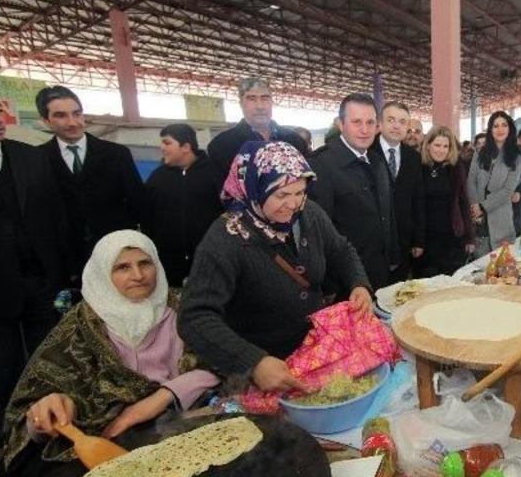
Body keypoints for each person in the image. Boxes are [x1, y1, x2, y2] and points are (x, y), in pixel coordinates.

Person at [1, 230, 219, 476]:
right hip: (105, 437)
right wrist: (46, 412)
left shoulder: (185, 308)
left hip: (181, 423)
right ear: (102, 274)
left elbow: (221, 362)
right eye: (122, 267)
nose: (138, 276)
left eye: (145, 263)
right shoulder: (79, 327)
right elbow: (28, 413)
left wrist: (159, 398)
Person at [178, 141, 371, 392]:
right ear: (255, 189)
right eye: (281, 195)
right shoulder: (226, 238)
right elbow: (194, 318)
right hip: (261, 370)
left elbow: (341, 250)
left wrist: (359, 283)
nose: (293, 204)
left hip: (311, 350)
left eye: (300, 192)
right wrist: (253, 362)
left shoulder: (309, 214)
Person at [0, 110, 73, 450]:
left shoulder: (29, 156)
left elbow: (57, 213)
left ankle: (50, 420)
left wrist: (62, 268)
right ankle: (7, 429)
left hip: (40, 276)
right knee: (3, 358)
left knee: (48, 351)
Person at [36, 85, 147, 276]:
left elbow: (139, 204)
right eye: (61, 115)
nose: (73, 122)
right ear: (46, 121)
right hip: (68, 263)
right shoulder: (37, 159)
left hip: (116, 256)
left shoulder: (116, 155)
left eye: (77, 113)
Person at [309, 93, 399, 291]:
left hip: (381, 272)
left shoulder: (377, 161)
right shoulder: (321, 165)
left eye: (370, 122)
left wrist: (393, 258)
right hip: (346, 281)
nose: (365, 129)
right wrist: (329, 285)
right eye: (356, 122)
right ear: (341, 124)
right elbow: (318, 232)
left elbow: (387, 214)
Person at [144, 124, 223, 287]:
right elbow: (146, 216)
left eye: (167, 143)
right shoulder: (157, 178)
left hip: (210, 262)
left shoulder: (215, 174)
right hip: (168, 266)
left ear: (186, 147)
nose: (162, 148)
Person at [207, 78, 307, 180]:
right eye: (251, 99)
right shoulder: (222, 146)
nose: (260, 106)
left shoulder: (294, 141)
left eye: (265, 98)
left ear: (272, 102)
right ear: (241, 104)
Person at [369, 102, 425, 283]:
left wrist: (418, 239)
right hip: (372, 241)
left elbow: (418, 199)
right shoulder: (367, 152)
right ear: (380, 123)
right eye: (391, 120)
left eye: (402, 122)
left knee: (397, 291)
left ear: (407, 127)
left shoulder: (413, 157)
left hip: (402, 239)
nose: (396, 126)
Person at [415, 126, 475, 277]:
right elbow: (414, 206)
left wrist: (469, 237)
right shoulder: (417, 167)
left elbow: (463, 202)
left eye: (445, 146)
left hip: (453, 239)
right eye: (437, 145)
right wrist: (417, 240)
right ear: (428, 145)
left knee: (452, 285)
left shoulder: (456, 168)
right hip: (426, 241)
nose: (441, 150)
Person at [467, 111, 521, 254]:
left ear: (510, 128)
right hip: (478, 218)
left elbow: (508, 190)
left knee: (503, 264)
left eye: (504, 125)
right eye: (495, 126)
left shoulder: (515, 157)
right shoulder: (480, 153)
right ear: (490, 130)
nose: (500, 129)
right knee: (480, 263)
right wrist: (474, 205)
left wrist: (483, 207)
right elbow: (471, 180)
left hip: (501, 216)